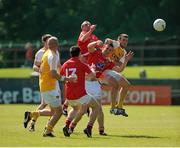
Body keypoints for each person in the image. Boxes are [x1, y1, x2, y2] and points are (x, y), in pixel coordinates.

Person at [23, 37, 75, 137]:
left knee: (52, 111)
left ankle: (32, 114)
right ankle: (48, 131)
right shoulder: (53, 55)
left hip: (44, 86)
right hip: (50, 87)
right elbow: (53, 73)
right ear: (57, 45)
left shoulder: (46, 53)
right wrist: (67, 79)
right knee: (59, 111)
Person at [60, 46, 100, 137]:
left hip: (69, 94)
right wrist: (93, 68)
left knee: (75, 109)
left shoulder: (65, 64)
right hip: (80, 94)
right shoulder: (81, 64)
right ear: (79, 54)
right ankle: (89, 128)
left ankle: (67, 125)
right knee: (96, 107)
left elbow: (62, 78)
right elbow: (92, 76)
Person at [62, 20, 100, 115]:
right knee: (80, 82)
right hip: (81, 61)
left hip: (89, 60)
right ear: (82, 27)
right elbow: (82, 39)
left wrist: (100, 43)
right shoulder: (83, 33)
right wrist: (90, 31)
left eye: (89, 24)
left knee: (83, 83)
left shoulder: (93, 36)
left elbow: (98, 44)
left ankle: (81, 106)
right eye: (85, 24)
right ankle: (66, 106)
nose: (88, 25)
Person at [87, 40, 133, 117]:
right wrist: (96, 42)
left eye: (110, 50)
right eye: (107, 48)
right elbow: (89, 47)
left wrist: (126, 60)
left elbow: (119, 69)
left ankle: (114, 108)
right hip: (90, 76)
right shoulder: (97, 52)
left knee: (119, 85)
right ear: (104, 47)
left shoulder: (108, 61)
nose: (108, 51)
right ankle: (113, 108)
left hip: (100, 75)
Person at [104, 34, 134, 116]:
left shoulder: (124, 52)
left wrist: (126, 60)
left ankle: (119, 107)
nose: (125, 42)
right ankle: (113, 108)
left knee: (127, 85)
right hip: (103, 68)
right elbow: (108, 40)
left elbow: (121, 67)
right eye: (123, 40)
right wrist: (108, 40)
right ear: (119, 40)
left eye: (126, 41)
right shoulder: (116, 44)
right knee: (116, 85)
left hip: (111, 69)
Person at [28, 34, 52, 132]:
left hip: (53, 80)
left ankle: (34, 123)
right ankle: (47, 126)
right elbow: (34, 66)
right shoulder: (40, 53)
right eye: (49, 41)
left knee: (47, 105)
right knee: (52, 106)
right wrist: (41, 70)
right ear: (44, 42)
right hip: (45, 81)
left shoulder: (53, 51)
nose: (51, 42)